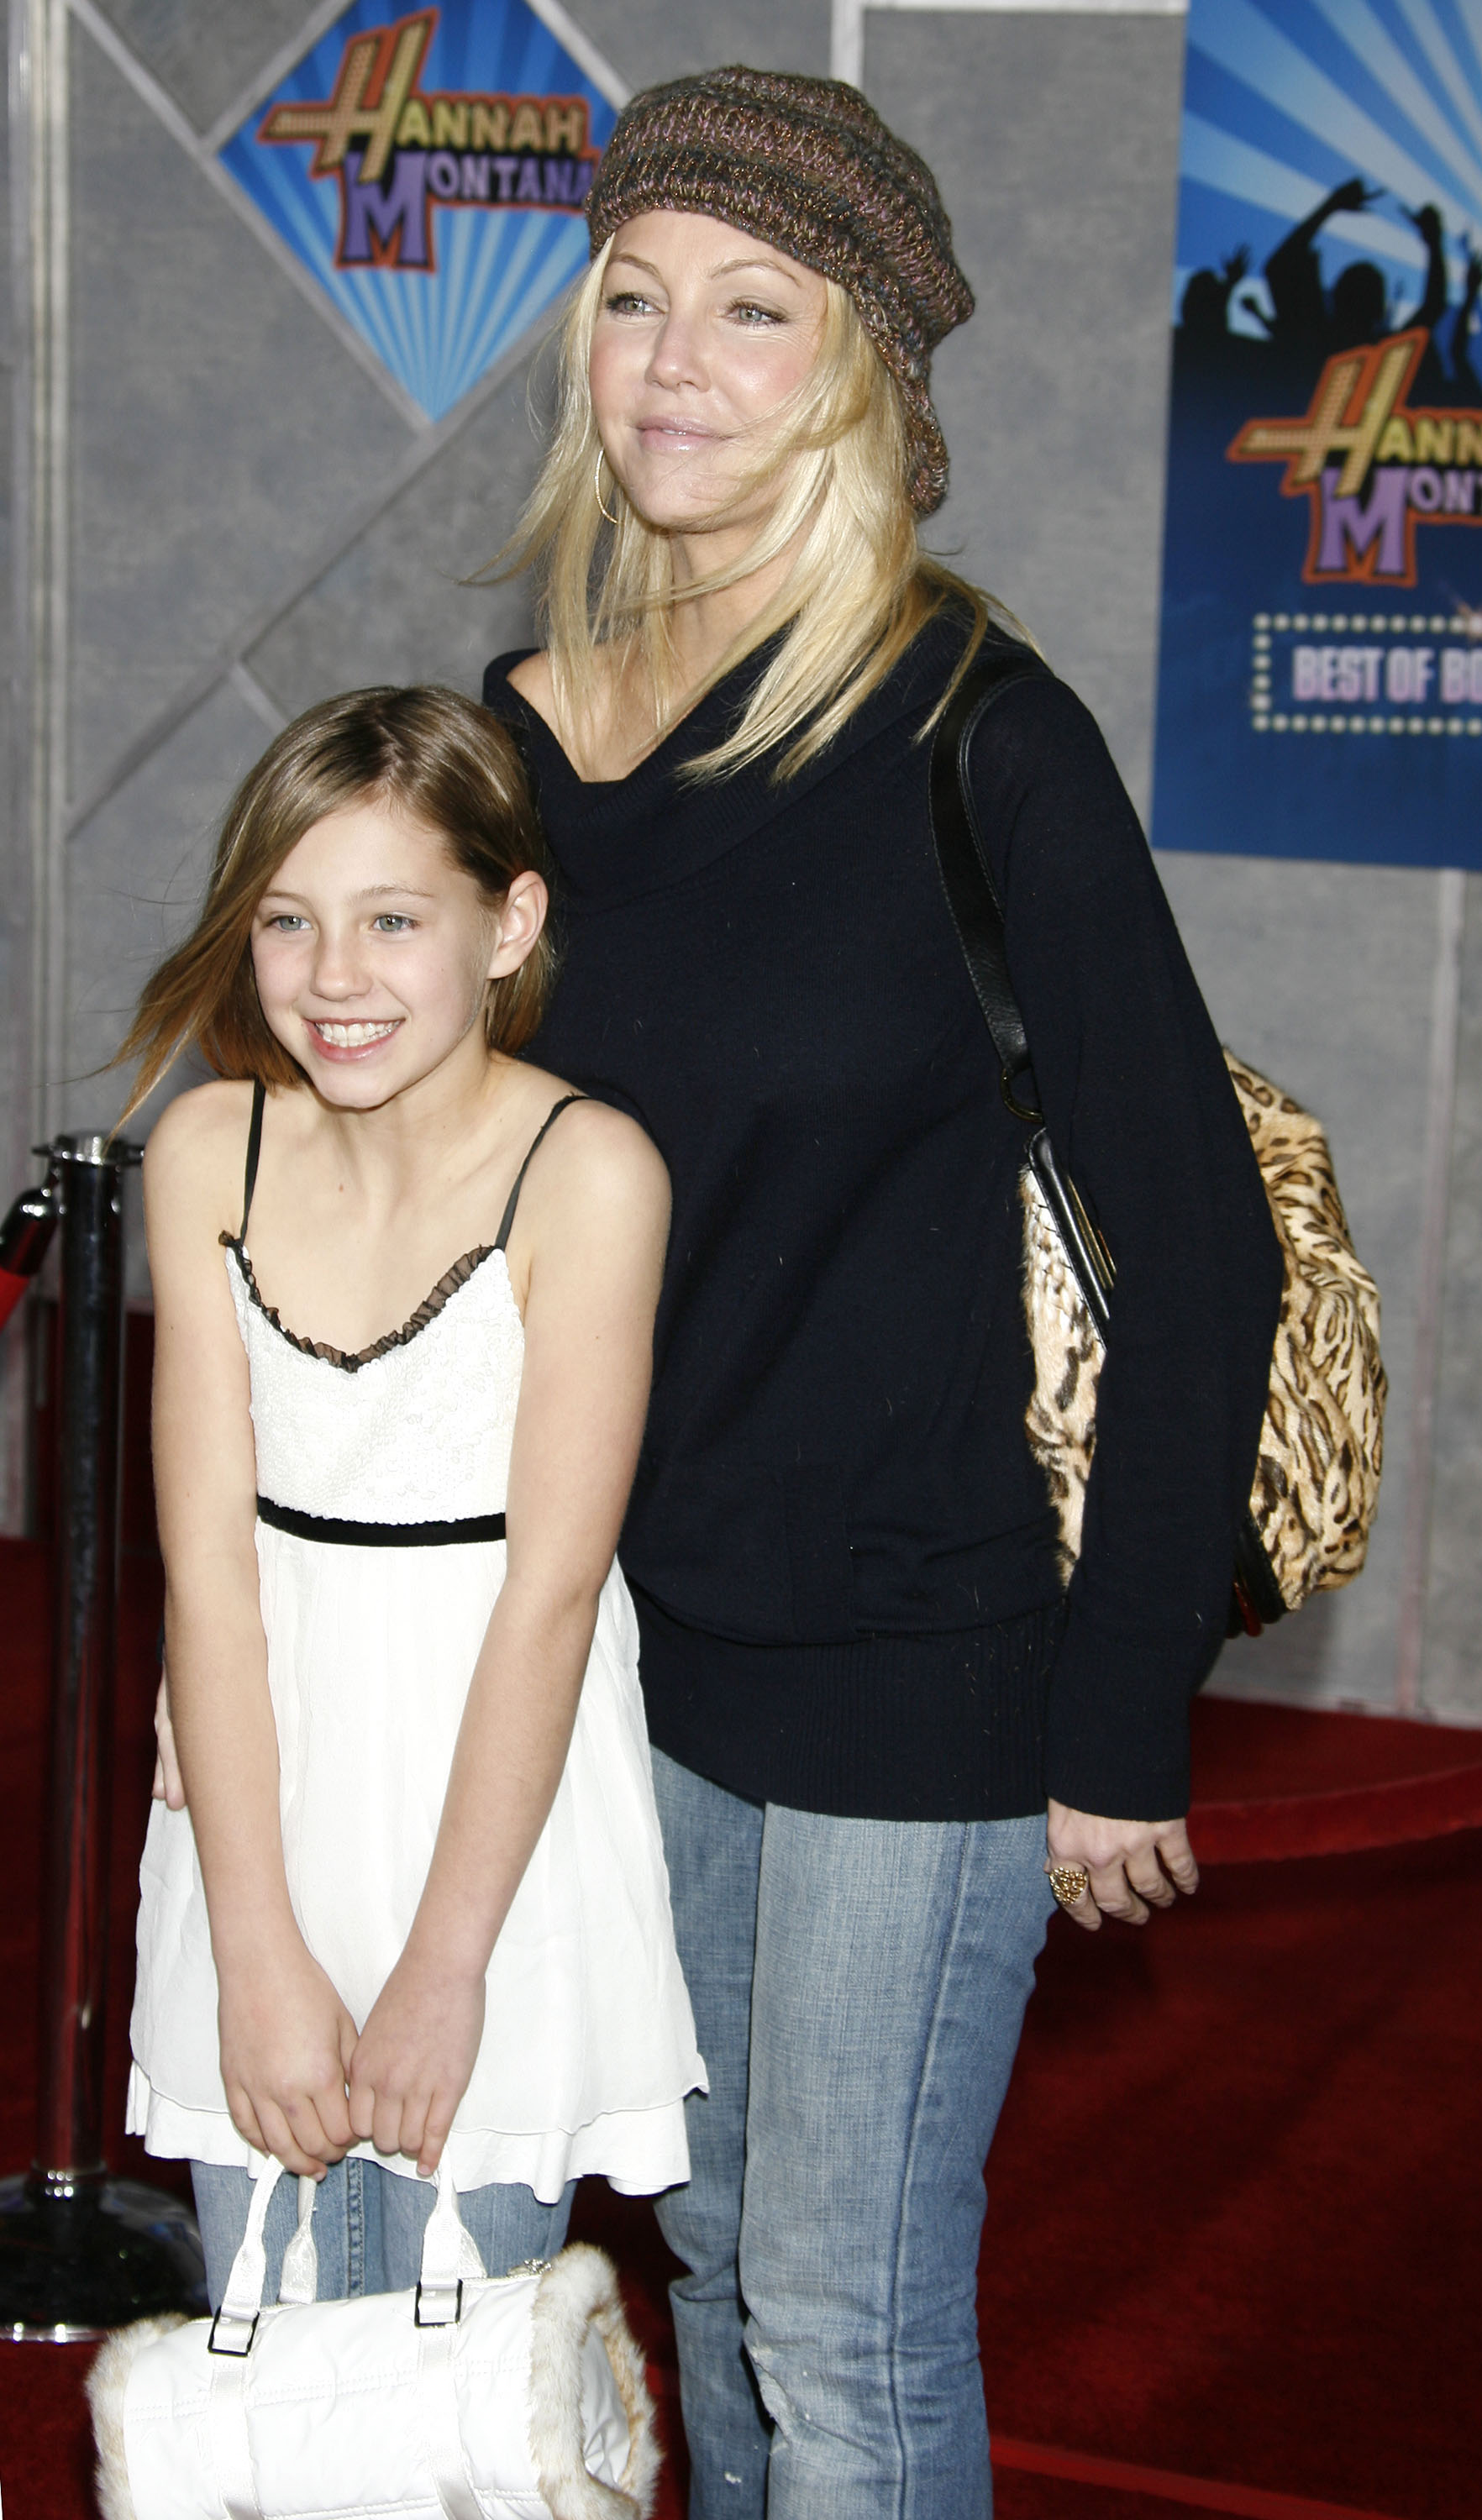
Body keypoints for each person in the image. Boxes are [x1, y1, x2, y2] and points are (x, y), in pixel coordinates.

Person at [477, 66, 1285, 2520]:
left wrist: (1116, 1711)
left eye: (755, 310)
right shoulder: (516, 742)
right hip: (630, 1651)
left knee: (842, 2320)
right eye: (635, 299)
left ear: (864, 374)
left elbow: (1201, 1246)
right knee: (716, 2261)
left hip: (921, 1648)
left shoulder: (975, 737)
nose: (674, 364)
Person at [122, 684, 704, 2309]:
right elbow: (209, 1577)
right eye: (288, 920)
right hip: (260, 1779)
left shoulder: (590, 1171)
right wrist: (253, 1950)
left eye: (392, 919)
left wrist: (450, 1968)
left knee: (466, 2360)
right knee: (267, 2334)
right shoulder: (208, 1152)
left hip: (495, 1810)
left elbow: (551, 1595)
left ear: (508, 924)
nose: (334, 977)